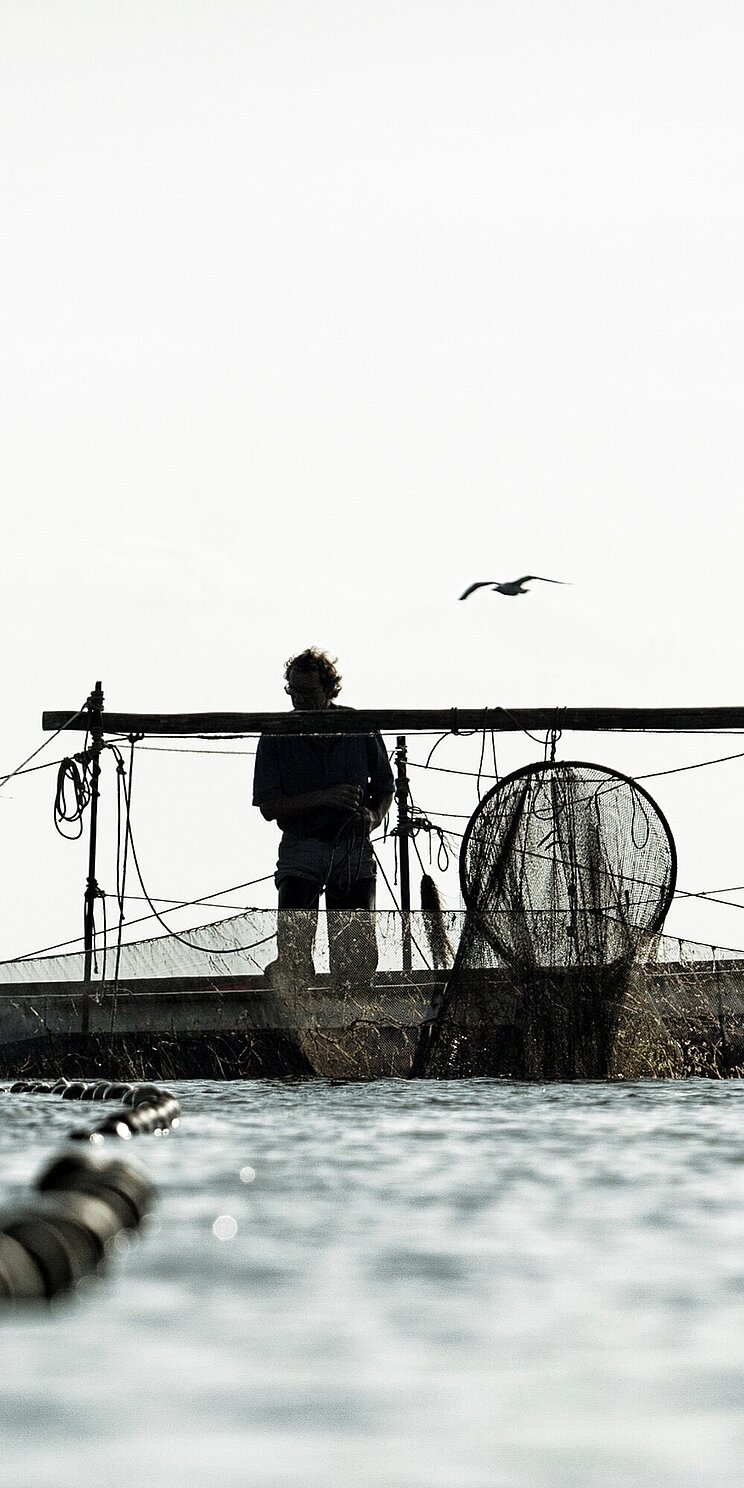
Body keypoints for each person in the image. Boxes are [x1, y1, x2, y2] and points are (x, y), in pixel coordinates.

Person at [252, 648, 395, 987]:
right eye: (293, 691)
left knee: (355, 960)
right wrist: (326, 797)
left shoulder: (359, 727)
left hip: (352, 847)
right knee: (294, 956)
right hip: (302, 846)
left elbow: (386, 788)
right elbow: (269, 806)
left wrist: (372, 816)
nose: (299, 700)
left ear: (330, 689)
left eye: (308, 693)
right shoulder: (276, 734)